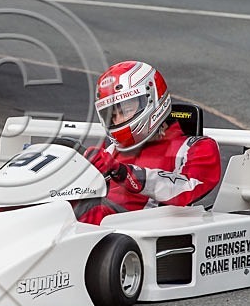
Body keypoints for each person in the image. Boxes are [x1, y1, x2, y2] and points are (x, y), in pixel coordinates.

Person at [75, 60, 221, 224]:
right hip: (93, 226)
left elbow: (185, 190)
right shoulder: (111, 153)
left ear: (152, 98)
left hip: (139, 231)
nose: (118, 120)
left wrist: (124, 173)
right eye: (112, 115)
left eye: (126, 110)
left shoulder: (195, 148)